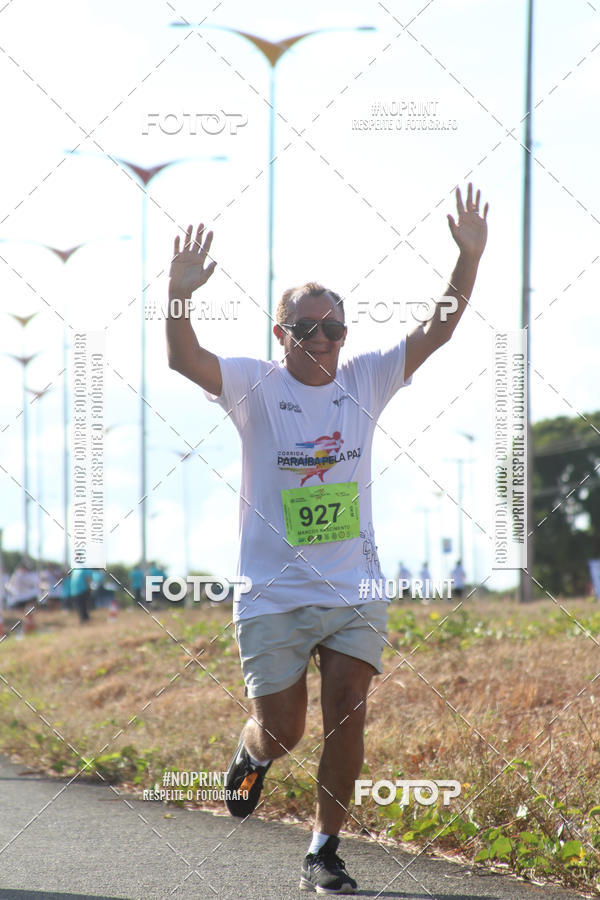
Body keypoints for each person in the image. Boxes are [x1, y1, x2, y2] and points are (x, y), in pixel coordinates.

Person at [166, 183, 488, 893]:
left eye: (332, 328)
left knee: (349, 712)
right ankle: (253, 756)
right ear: (279, 335)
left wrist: (467, 260)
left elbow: (438, 329)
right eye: (305, 328)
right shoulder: (253, 384)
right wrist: (177, 295)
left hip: (353, 587)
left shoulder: (368, 379)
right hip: (272, 592)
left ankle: (323, 850)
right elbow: (185, 360)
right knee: (284, 731)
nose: (320, 340)